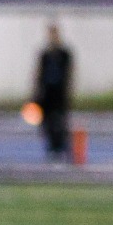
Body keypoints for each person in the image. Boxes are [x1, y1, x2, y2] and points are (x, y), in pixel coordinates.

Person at [35, 24, 73, 158]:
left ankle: (61, 145)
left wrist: (68, 91)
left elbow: (69, 73)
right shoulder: (45, 54)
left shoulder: (64, 54)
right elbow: (39, 74)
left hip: (59, 92)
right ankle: (52, 146)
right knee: (47, 121)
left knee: (60, 120)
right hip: (47, 93)